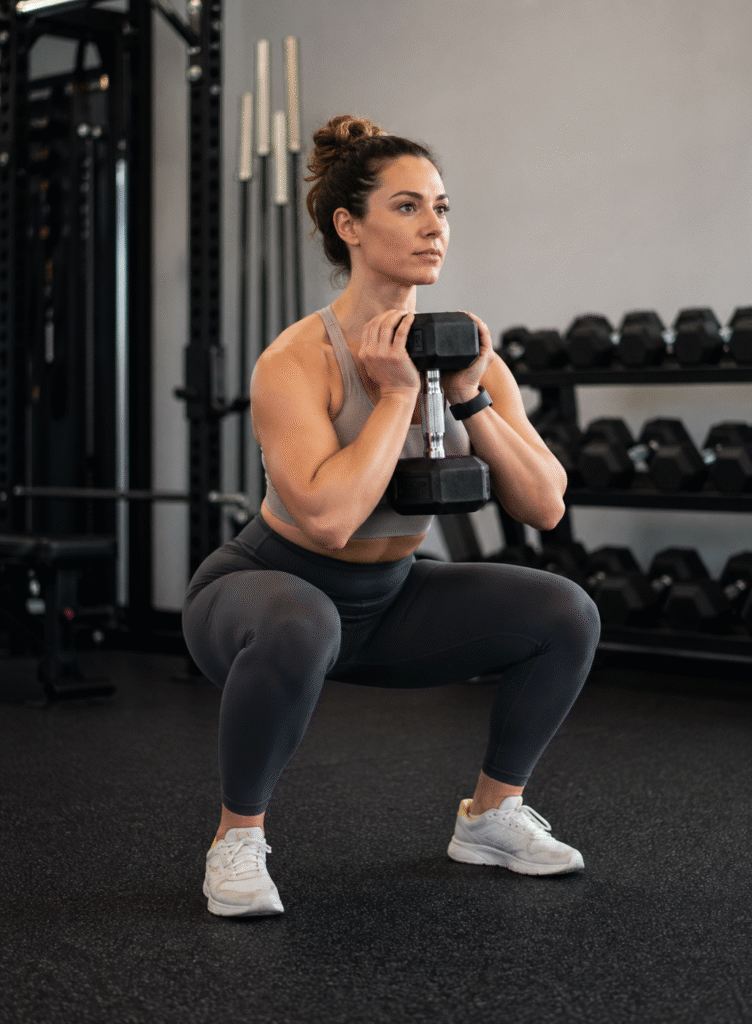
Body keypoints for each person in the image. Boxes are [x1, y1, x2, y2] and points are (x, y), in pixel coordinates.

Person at [183, 114, 601, 917]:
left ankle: (491, 816)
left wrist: (469, 395)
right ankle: (236, 839)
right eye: (407, 207)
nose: (433, 227)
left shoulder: (467, 351)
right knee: (302, 619)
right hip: (264, 591)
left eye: (441, 208)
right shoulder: (297, 359)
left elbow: (545, 504)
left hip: (390, 600)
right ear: (349, 225)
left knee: (565, 610)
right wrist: (401, 395)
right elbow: (331, 521)